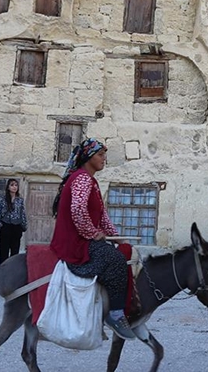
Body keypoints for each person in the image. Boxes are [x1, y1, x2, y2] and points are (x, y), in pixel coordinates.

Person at [49, 138, 135, 340]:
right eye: (101, 155)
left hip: (84, 238)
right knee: (116, 260)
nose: (104, 159)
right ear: (89, 157)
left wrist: (117, 237)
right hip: (76, 243)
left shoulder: (90, 180)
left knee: (122, 250)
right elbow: (78, 210)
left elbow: (102, 216)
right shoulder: (82, 179)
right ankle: (115, 314)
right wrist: (92, 233)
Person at [0, 178, 27, 265]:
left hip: (16, 227)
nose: (14, 187)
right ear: (8, 187)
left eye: (16, 185)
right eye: (12, 185)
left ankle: (12, 273)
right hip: (5, 227)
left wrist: (24, 225)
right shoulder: (2, 199)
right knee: (4, 252)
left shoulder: (20, 200)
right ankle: (3, 273)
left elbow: (22, 213)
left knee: (14, 253)